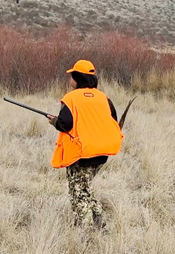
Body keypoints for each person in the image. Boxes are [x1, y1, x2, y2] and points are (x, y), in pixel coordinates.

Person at [46, 60, 124, 229]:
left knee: (78, 193)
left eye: (71, 75)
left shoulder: (71, 98)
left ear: (78, 77)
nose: (69, 79)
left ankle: (85, 230)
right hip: (102, 152)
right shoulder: (104, 98)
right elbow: (113, 121)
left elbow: (65, 124)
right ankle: (99, 222)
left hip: (81, 154)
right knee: (85, 188)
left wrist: (54, 122)